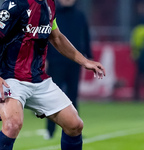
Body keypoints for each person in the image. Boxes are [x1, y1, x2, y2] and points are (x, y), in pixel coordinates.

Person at [0, 0, 106, 149]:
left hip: (38, 79)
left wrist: (84, 61)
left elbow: (56, 37)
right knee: (12, 125)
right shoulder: (16, 4)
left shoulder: (50, 5)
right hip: (10, 77)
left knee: (75, 125)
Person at [46, 0, 93, 139]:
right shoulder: (52, 14)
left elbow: (86, 36)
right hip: (55, 61)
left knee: (73, 96)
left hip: (74, 63)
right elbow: (49, 37)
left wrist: (88, 57)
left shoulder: (80, 15)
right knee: (53, 97)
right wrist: (45, 58)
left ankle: (74, 130)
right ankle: (50, 130)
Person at [130, 1, 144, 101]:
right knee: (139, 74)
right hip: (141, 52)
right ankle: (136, 95)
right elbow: (135, 41)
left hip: (140, 52)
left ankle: (136, 95)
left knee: (139, 74)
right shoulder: (138, 23)